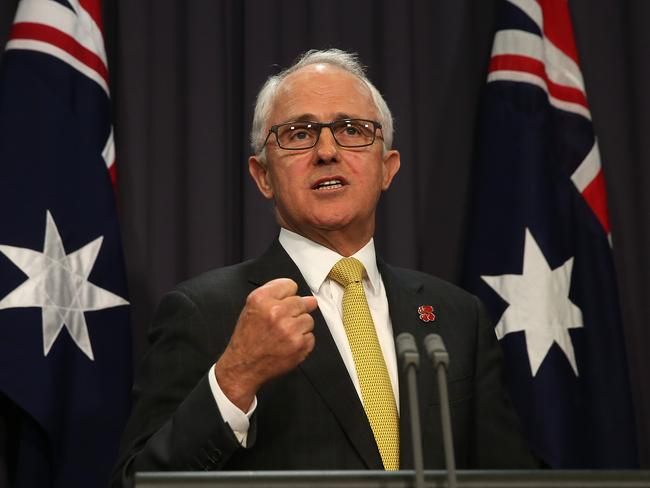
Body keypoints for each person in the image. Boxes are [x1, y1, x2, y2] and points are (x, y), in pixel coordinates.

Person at [111, 49, 538, 487]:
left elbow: (511, 477)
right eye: (299, 134)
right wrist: (235, 378)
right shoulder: (205, 312)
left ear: (387, 168)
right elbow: (136, 482)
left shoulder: (457, 317)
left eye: (352, 130)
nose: (327, 151)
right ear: (262, 176)